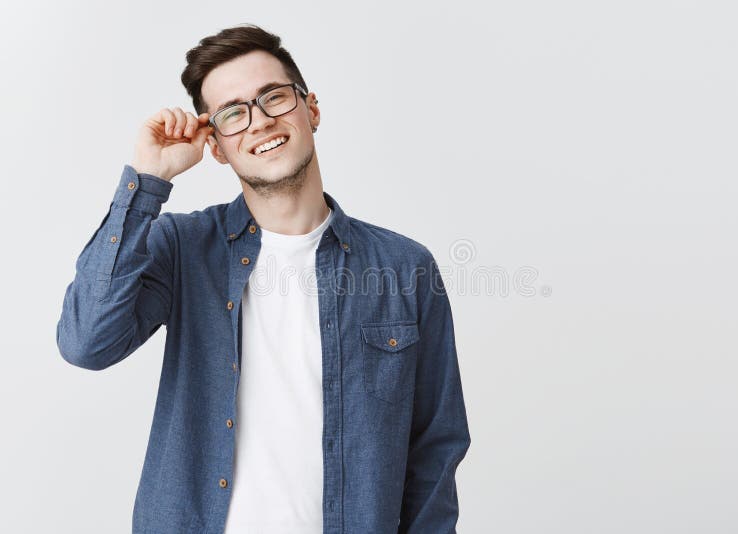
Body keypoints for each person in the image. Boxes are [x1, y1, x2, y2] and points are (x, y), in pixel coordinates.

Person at [56, 23, 470, 534]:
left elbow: (434, 449)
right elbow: (86, 343)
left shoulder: (404, 268)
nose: (259, 122)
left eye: (273, 97)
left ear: (311, 109)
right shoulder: (181, 248)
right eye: (232, 113)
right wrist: (147, 182)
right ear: (216, 146)